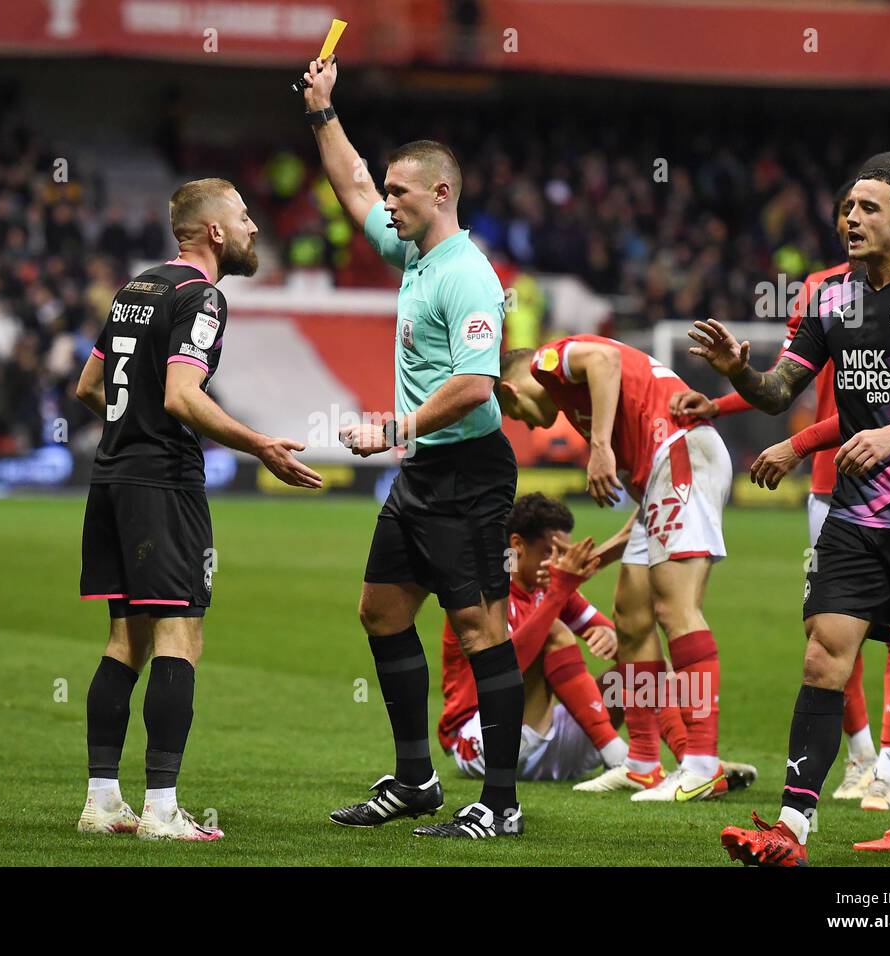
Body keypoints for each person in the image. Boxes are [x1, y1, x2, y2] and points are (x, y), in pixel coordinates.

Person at [694, 166, 890, 866]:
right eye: (845, 207)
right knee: (822, 652)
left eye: (869, 207)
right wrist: (737, 372)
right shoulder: (832, 298)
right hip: (860, 516)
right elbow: (780, 390)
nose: (851, 218)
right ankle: (789, 830)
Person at [300, 56, 525, 839]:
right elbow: (352, 186)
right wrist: (324, 111)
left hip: (469, 471)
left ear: (440, 194)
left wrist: (393, 427)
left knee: (480, 631)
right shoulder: (416, 255)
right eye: (388, 189)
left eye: (400, 192)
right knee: (381, 611)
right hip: (425, 473)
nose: (384, 202)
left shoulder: (466, 273)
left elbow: (476, 384)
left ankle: (500, 805)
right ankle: (416, 780)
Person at [73, 179, 322, 842]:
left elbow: (89, 387)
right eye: (244, 217)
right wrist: (260, 444)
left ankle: (102, 802)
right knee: (180, 637)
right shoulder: (201, 297)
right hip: (163, 487)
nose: (254, 229)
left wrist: (135, 428)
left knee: (125, 639)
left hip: (113, 479)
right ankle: (160, 808)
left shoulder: (136, 289)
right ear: (214, 232)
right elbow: (184, 396)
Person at [496, 335, 757, 801]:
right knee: (632, 618)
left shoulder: (544, 363)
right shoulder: (571, 394)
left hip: (680, 453)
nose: (528, 427)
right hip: (663, 471)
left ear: (508, 393)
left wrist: (598, 447)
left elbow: (605, 357)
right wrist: (614, 548)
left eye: (514, 416)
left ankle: (701, 763)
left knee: (675, 610)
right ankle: (641, 763)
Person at [439, 493, 629, 784]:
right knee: (553, 631)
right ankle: (616, 755)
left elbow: (628, 650)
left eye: (563, 553)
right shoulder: (480, 588)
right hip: (481, 739)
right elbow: (504, 670)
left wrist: (614, 638)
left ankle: (684, 762)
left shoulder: (551, 587)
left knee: (643, 664)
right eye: (550, 552)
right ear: (517, 546)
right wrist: (560, 591)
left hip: (543, 741)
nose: (558, 562)